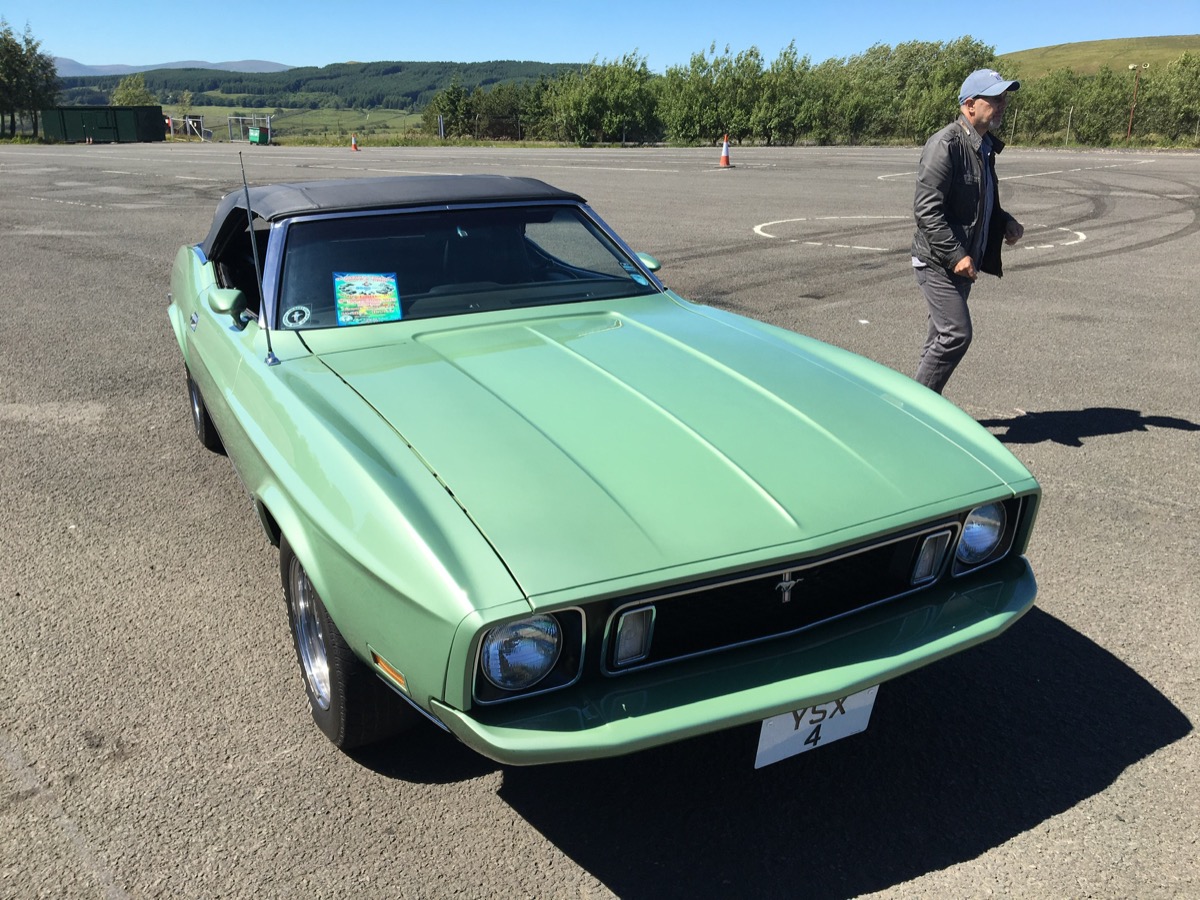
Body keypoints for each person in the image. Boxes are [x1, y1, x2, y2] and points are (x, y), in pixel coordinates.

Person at [911, 68, 1025, 394]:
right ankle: (916, 413)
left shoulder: (983, 148)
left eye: (1004, 97)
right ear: (970, 104)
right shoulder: (945, 145)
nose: (1002, 104)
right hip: (938, 261)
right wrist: (955, 255)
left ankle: (918, 406)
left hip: (962, 264)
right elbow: (926, 211)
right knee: (956, 334)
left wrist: (1005, 223)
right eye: (995, 98)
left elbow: (980, 203)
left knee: (939, 339)